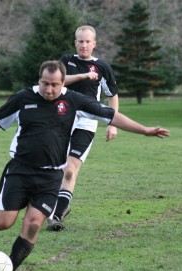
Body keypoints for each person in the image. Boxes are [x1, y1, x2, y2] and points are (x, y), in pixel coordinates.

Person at [0, 60, 169, 271]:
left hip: (51, 176)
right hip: (20, 171)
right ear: (39, 80)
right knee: (3, 223)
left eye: (54, 85)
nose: (49, 89)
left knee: (32, 225)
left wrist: (144, 130)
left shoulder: (73, 100)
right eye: (45, 84)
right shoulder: (23, 98)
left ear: (63, 83)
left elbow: (110, 115)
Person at [47, 25, 119, 231]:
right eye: (80, 41)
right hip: (60, 120)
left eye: (88, 41)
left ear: (94, 44)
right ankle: (52, 205)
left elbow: (112, 96)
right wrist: (83, 76)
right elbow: (57, 81)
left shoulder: (103, 67)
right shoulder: (66, 61)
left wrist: (112, 124)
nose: (84, 45)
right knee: (56, 167)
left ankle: (57, 215)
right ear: (75, 43)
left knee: (70, 170)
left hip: (86, 124)